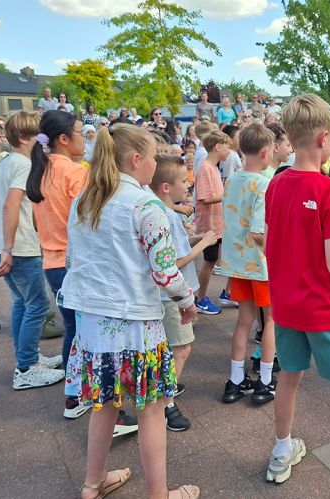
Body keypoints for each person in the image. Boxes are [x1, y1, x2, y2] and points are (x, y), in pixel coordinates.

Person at [61, 124, 199, 499]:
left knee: (103, 405)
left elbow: (74, 258)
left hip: (91, 323)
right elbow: (166, 272)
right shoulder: (145, 205)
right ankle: (159, 493)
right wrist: (187, 303)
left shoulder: (85, 199)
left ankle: (93, 483)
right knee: (151, 410)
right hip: (136, 323)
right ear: (137, 159)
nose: (156, 164)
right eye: (154, 156)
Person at [264, 94, 330, 498]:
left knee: (288, 377)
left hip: (286, 306)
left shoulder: (276, 185)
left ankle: (281, 448)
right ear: (325, 137)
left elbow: (271, 244)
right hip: (325, 308)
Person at [0, 111, 64, 390]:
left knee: (22, 303)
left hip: (4, 245)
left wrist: (1, 243)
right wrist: (8, 247)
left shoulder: (5, 163)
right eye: (36, 137)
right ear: (22, 138)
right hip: (18, 248)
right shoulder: (21, 164)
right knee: (38, 305)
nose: (41, 142)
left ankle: (27, 358)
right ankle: (27, 368)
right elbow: (10, 205)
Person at [24, 110, 92, 420]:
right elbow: (92, 221)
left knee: (74, 331)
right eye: (81, 133)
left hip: (53, 263)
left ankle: (75, 393)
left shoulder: (40, 169)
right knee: (85, 333)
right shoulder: (75, 172)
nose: (84, 139)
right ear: (64, 139)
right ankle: (77, 394)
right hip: (76, 262)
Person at [149, 154, 217, 431]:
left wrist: (194, 239)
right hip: (171, 296)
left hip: (168, 295)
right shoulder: (165, 214)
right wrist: (204, 244)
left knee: (172, 347)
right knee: (182, 348)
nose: (188, 186)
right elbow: (174, 262)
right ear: (166, 186)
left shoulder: (163, 212)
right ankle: (167, 405)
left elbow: (174, 247)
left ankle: (167, 387)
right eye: (183, 181)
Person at [218, 123, 278, 405]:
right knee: (270, 322)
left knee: (243, 320)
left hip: (235, 262)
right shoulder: (264, 184)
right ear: (266, 152)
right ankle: (265, 381)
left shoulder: (231, 179)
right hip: (260, 264)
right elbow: (258, 232)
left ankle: (236, 379)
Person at [194, 130, 231, 315]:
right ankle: (200, 298)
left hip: (218, 224)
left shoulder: (213, 167)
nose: (229, 151)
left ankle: (226, 293)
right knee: (209, 261)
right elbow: (204, 198)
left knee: (216, 259)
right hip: (209, 226)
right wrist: (226, 194)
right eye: (227, 147)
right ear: (217, 146)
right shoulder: (205, 168)